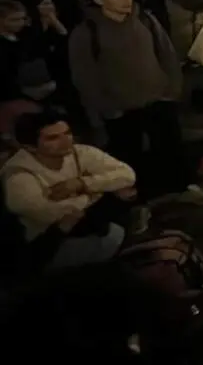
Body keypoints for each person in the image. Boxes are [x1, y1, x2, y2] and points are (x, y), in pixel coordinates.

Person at [68, 0, 203, 204]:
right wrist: (105, 108)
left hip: (158, 98)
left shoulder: (145, 19)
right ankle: (140, 202)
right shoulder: (87, 32)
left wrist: (172, 88)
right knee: (128, 156)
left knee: (170, 146)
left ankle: (180, 186)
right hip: (120, 107)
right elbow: (85, 77)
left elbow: (166, 54)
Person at [2, 111, 135, 270]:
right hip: (52, 243)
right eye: (53, 138)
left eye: (67, 133)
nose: (66, 141)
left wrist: (81, 184)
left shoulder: (80, 152)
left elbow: (127, 174)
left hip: (89, 225)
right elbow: (47, 212)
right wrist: (100, 193)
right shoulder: (18, 173)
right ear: (30, 146)